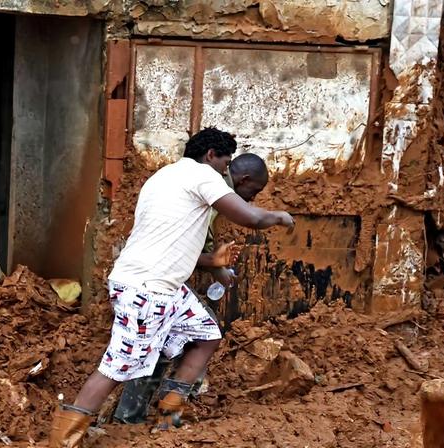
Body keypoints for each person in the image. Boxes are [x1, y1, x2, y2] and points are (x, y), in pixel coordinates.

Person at [48, 128, 294, 447]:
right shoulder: (204, 176)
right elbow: (251, 218)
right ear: (210, 156)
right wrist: (279, 217)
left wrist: (213, 263)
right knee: (116, 367)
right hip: (146, 289)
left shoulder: (163, 177)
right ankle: (63, 440)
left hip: (163, 287)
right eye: (225, 162)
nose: (226, 171)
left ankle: (169, 416)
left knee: (207, 334)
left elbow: (172, 242)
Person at [112, 152, 270, 424]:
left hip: (157, 280)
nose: (252, 199)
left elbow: (189, 243)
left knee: (194, 335)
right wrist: (214, 263)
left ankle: (158, 413)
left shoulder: (192, 186)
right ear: (243, 179)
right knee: (148, 350)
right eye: (253, 191)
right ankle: (139, 417)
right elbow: (176, 246)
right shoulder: (210, 189)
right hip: (151, 282)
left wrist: (214, 265)